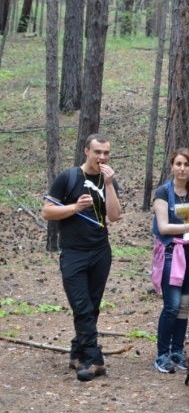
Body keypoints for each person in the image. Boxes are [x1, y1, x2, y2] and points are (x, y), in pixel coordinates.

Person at [42, 133, 122, 382]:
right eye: (97, 152)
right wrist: (75, 207)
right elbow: (47, 212)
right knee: (81, 305)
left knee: (92, 306)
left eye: (106, 153)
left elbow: (114, 216)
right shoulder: (69, 177)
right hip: (73, 253)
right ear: (86, 151)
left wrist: (109, 185)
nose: (102, 157)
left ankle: (78, 354)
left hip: (101, 251)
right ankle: (95, 359)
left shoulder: (108, 180)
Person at [150, 148, 189, 374]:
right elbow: (163, 227)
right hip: (171, 253)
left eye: (187, 164)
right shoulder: (163, 192)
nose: (182, 168)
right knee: (172, 305)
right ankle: (162, 354)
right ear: (172, 166)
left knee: (184, 305)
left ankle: (177, 351)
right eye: (178, 164)